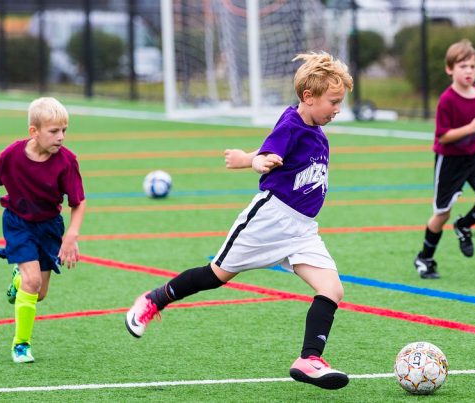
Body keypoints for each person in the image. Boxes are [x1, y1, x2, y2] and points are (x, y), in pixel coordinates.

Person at [125, 52, 353, 390]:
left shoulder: (318, 133)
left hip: (303, 230)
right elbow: (269, 154)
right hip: (269, 220)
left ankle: (309, 359)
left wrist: (246, 158)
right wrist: (255, 162)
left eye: (340, 102)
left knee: (332, 289)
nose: (337, 109)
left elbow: (273, 154)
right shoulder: (291, 123)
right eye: (333, 102)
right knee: (215, 275)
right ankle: (152, 300)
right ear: (309, 97)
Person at [0, 97, 87, 363]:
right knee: (33, 282)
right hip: (18, 223)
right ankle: (21, 345)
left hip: (50, 227)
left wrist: (72, 235)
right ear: (34, 131)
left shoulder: (67, 161)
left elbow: (78, 202)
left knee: (39, 293)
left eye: (64, 130)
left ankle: (18, 280)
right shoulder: (12, 154)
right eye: (54, 131)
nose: (61, 137)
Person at [413, 39, 475, 279]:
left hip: (474, 156)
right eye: (463, 66)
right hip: (450, 160)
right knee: (442, 214)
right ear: (449, 69)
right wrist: (472, 128)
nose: (469, 71)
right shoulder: (447, 100)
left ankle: (464, 226)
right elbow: (444, 136)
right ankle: (424, 258)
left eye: (472, 66)